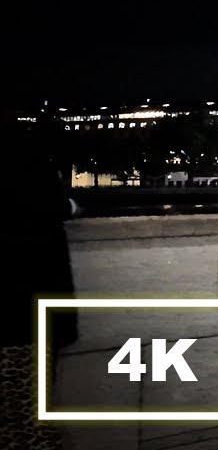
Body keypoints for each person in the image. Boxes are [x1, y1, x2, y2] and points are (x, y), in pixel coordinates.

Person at [1, 121, 77, 450]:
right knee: (27, 412)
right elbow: (58, 206)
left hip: (16, 315)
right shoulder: (28, 162)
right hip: (27, 315)